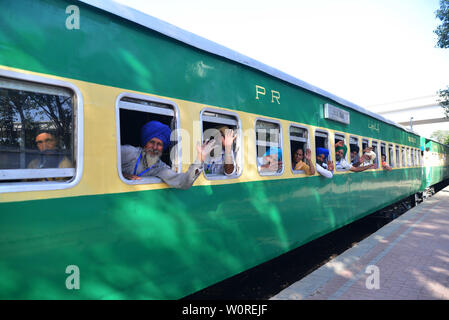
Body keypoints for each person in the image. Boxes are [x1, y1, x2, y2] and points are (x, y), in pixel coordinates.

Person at [121, 120, 213, 189]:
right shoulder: (129, 152)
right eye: (152, 142)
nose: (155, 147)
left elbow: (183, 183)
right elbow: (106, 161)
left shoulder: (160, 167)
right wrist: (124, 175)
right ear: (145, 143)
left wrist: (199, 159)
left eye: (159, 144)